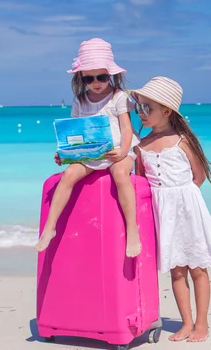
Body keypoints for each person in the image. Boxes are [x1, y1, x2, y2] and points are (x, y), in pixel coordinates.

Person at [132, 76, 211, 342]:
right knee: (176, 270)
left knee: (197, 267)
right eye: (138, 107)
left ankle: (202, 323)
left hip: (188, 209)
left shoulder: (182, 141)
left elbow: (197, 177)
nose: (141, 113)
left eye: (147, 108)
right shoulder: (141, 146)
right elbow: (141, 182)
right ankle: (185, 323)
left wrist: (181, 200)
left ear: (166, 110)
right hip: (162, 213)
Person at [34, 38, 142, 258]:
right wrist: (64, 153)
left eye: (101, 77)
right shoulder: (80, 101)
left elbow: (126, 128)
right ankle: (50, 227)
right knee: (69, 175)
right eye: (89, 78)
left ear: (111, 74)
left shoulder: (118, 97)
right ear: (81, 78)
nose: (96, 82)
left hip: (119, 151)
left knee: (121, 173)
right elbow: (75, 133)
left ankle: (132, 229)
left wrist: (122, 152)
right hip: (91, 154)